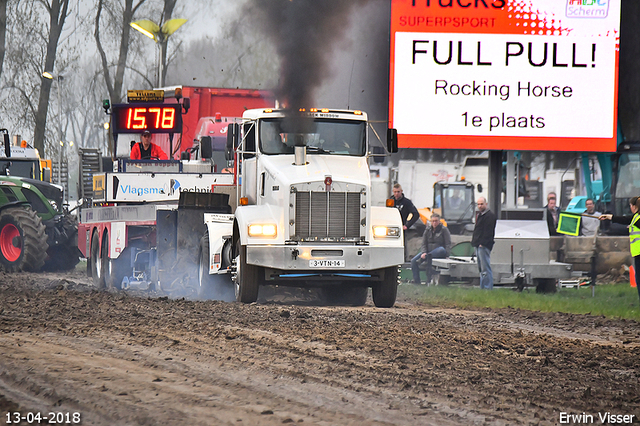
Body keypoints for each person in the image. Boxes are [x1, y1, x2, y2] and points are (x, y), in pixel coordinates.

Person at [600, 196, 640, 303]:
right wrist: (610, 217)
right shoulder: (636, 218)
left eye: (630, 205)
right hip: (637, 253)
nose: (630, 208)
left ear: (634, 206)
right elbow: (625, 219)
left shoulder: (638, 219)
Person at [410, 213, 451, 284]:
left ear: (439, 221)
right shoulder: (427, 230)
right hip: (428, 252)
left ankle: (425, 258)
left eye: (436, 221)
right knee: (413, 261)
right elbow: (423, 243)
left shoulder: (444, 230)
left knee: (441, 249)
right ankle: (417, 282)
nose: (434, 223)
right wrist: (424, 252)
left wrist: (447, 255)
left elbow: (448, 243)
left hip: (439, 251)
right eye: (433, 221)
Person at [471, 197, 496, 290]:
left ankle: (487, 288)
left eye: (481, 204)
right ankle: (483, 288)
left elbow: (488, 232)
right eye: (478, 204)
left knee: (485, 268)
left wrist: (483, 243)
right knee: (481, 269)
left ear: (486, 204)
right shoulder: (480, 215)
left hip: (483, 245)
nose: (480, 206)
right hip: (478, 245)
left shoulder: (490, 216)